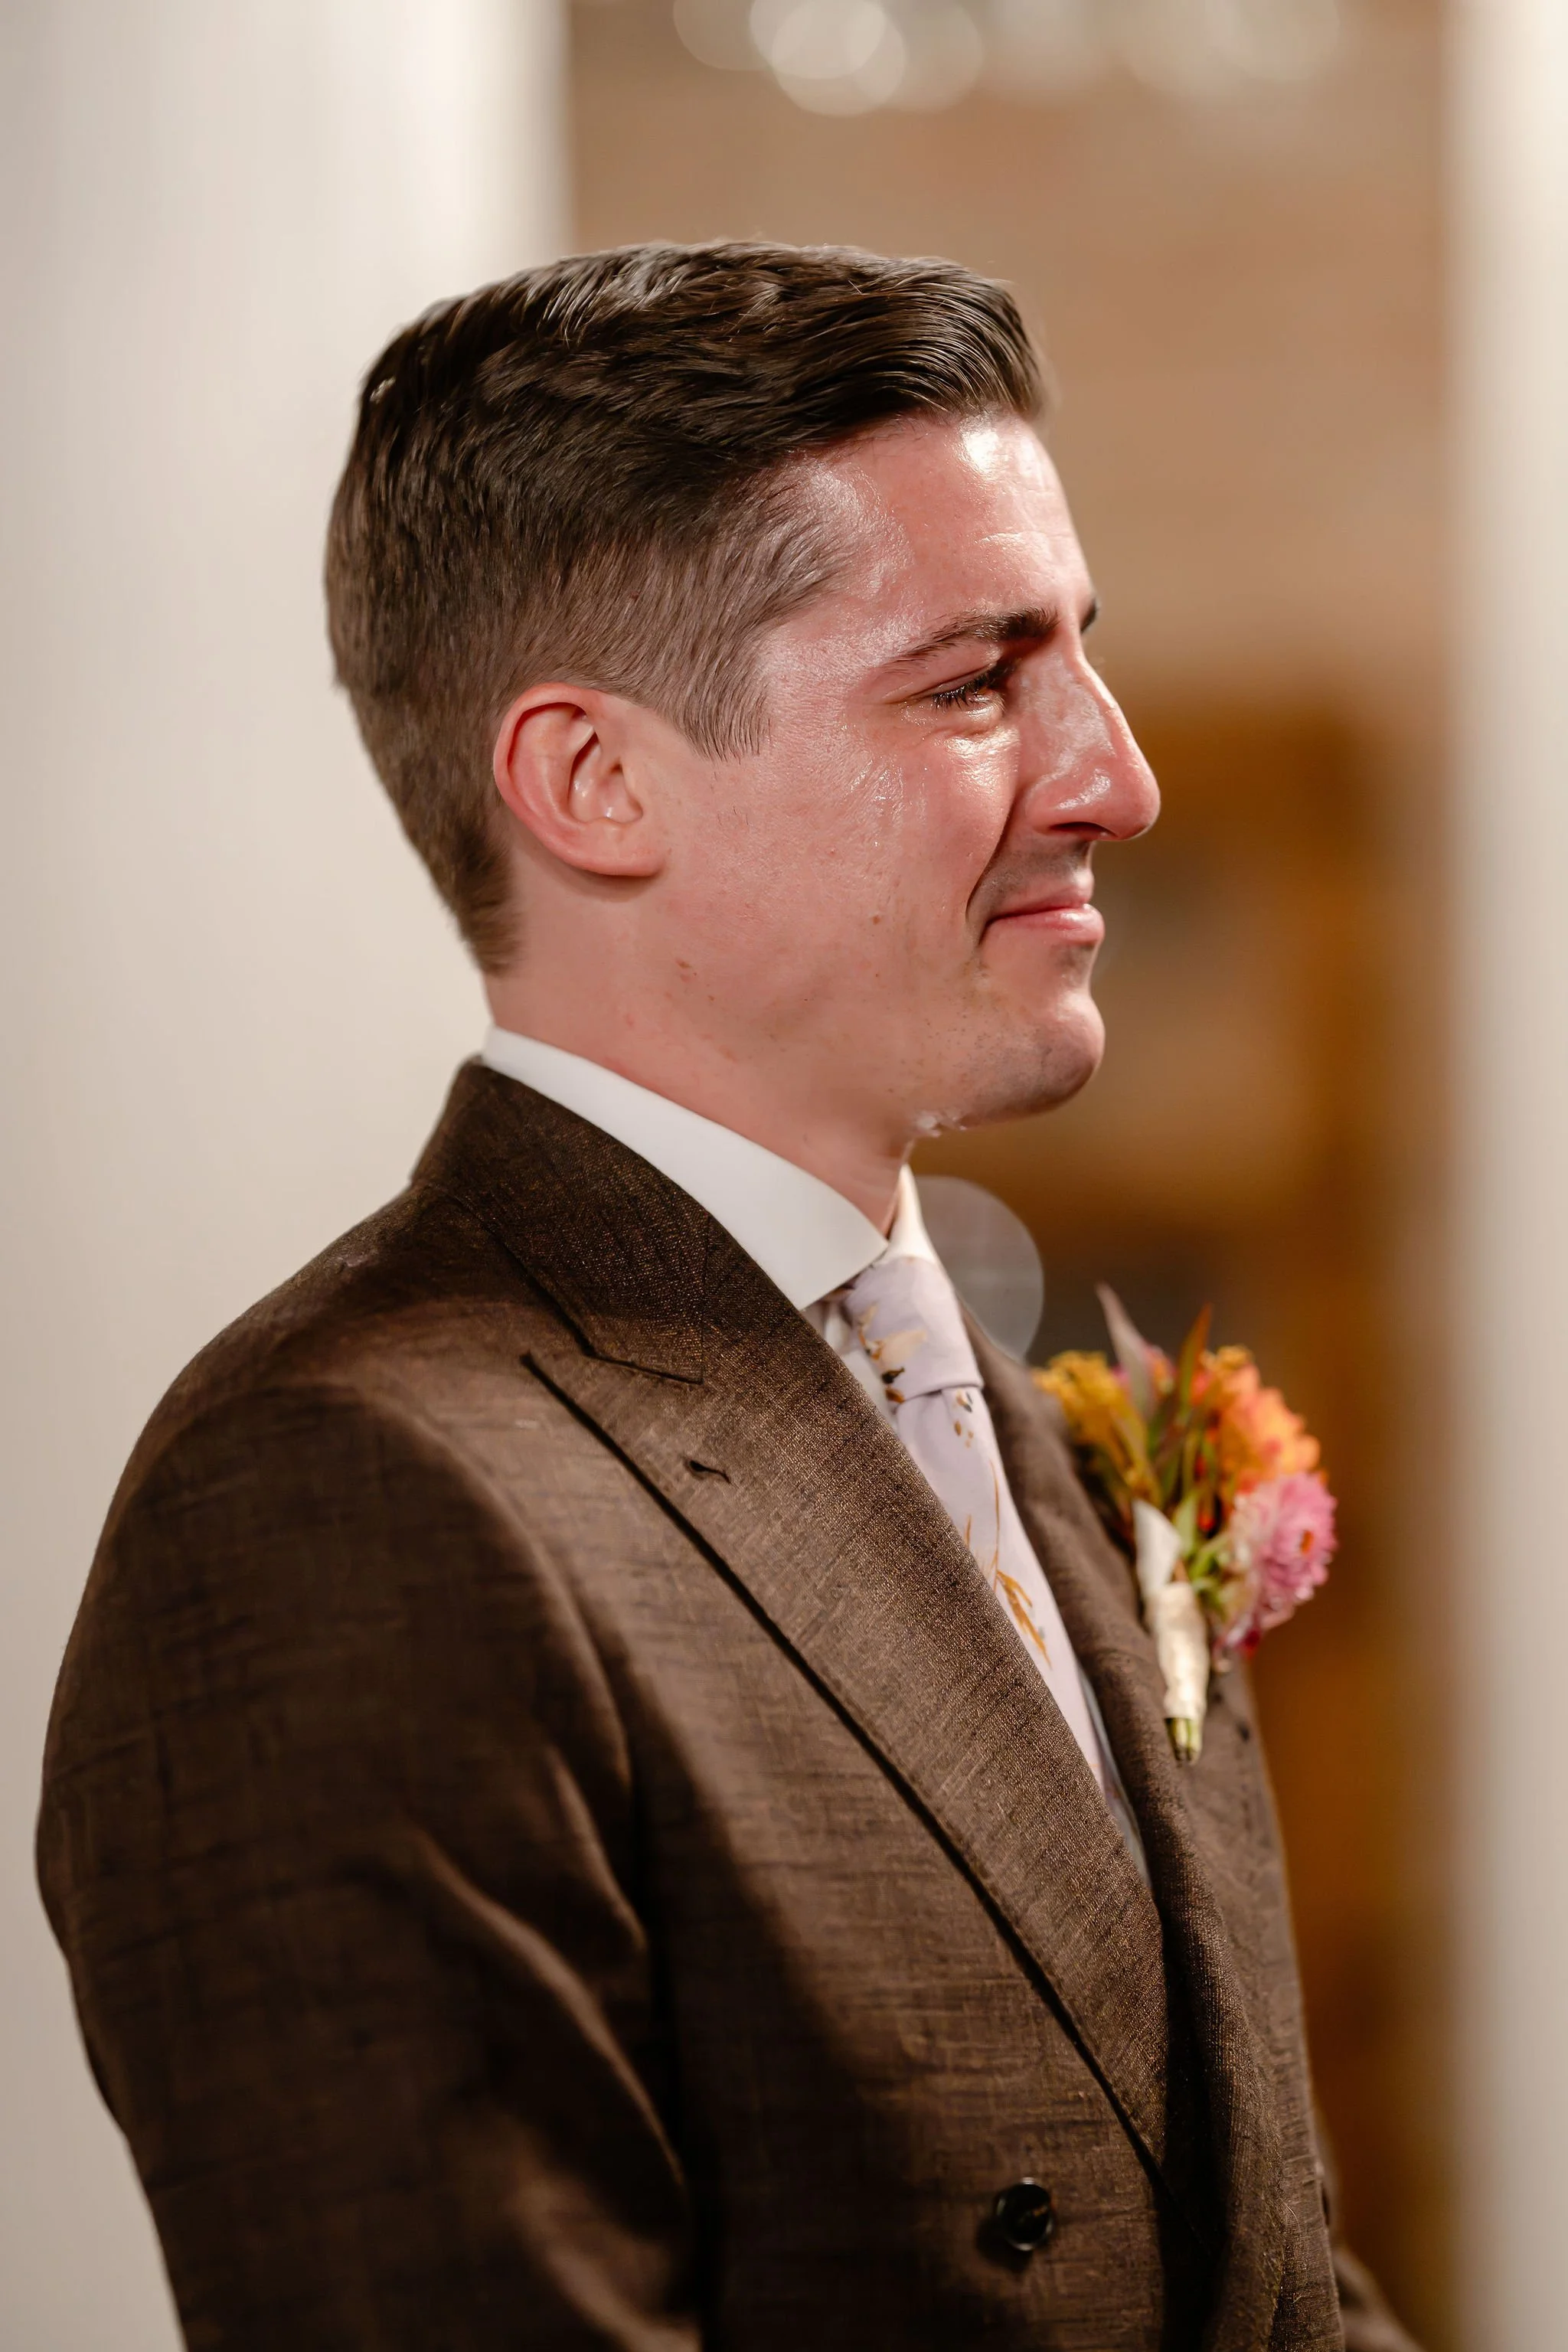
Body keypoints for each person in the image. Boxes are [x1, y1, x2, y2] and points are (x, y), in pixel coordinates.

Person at [38, 242, 1416, 2350]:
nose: (1116, 777)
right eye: (976, 680)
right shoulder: (351, 1505)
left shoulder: (1038, 1435)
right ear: (594, 785)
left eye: (1083, 660)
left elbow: (1262, 2278)